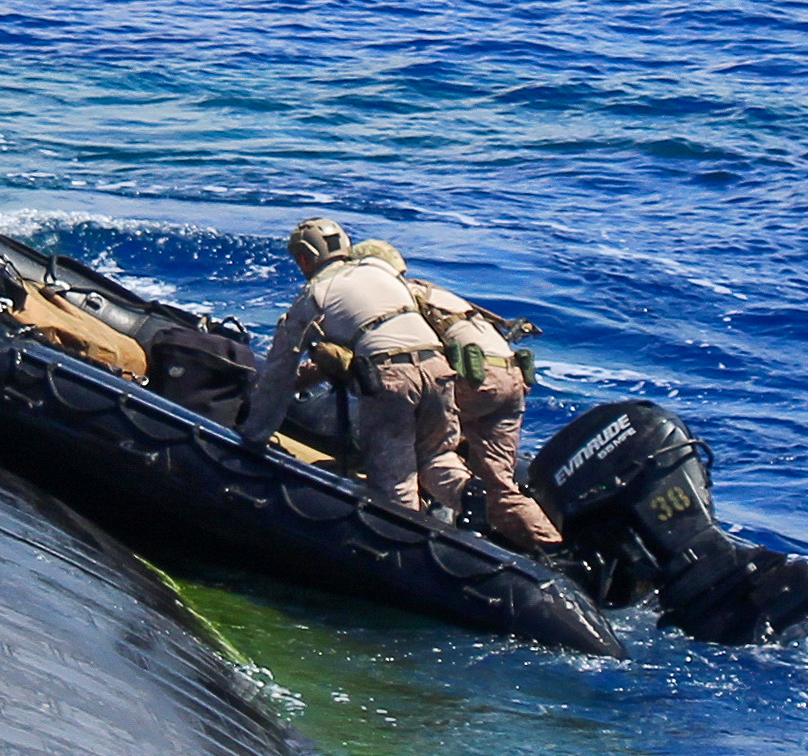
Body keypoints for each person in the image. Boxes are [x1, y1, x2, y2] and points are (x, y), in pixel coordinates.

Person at [236, 217, 466, 515]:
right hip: (438, 367)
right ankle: (481, 510)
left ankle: (400, 542)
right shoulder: (381, 271)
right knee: (439, 457)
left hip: (393, 378)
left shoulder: (315, 293)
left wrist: (252, 436)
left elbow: (279, 374)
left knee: (393, 481)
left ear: (305, 258)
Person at [355, 242, 565, 553]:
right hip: (512, 378)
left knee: (426, 449)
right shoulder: (440, 294)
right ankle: (553, 549)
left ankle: (417, 522)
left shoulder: (397, 297)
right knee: (499, 484)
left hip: (475, 381)